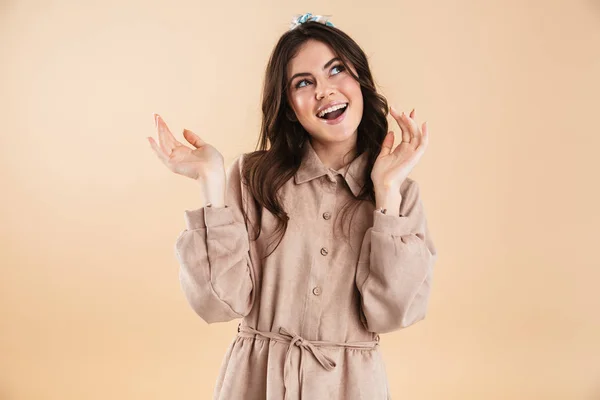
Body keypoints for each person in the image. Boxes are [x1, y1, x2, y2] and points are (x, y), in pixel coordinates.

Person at [147, 12, 437, 400]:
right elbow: (219, 304)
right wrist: (210, 182)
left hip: (350, 388)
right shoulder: (254, 178)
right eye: (304, 82)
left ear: (360, 82)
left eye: (337, 70)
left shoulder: (400, 193)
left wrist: (386, 191)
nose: (324, 90)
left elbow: (392, 313)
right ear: (288, 107)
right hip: (256, 383)